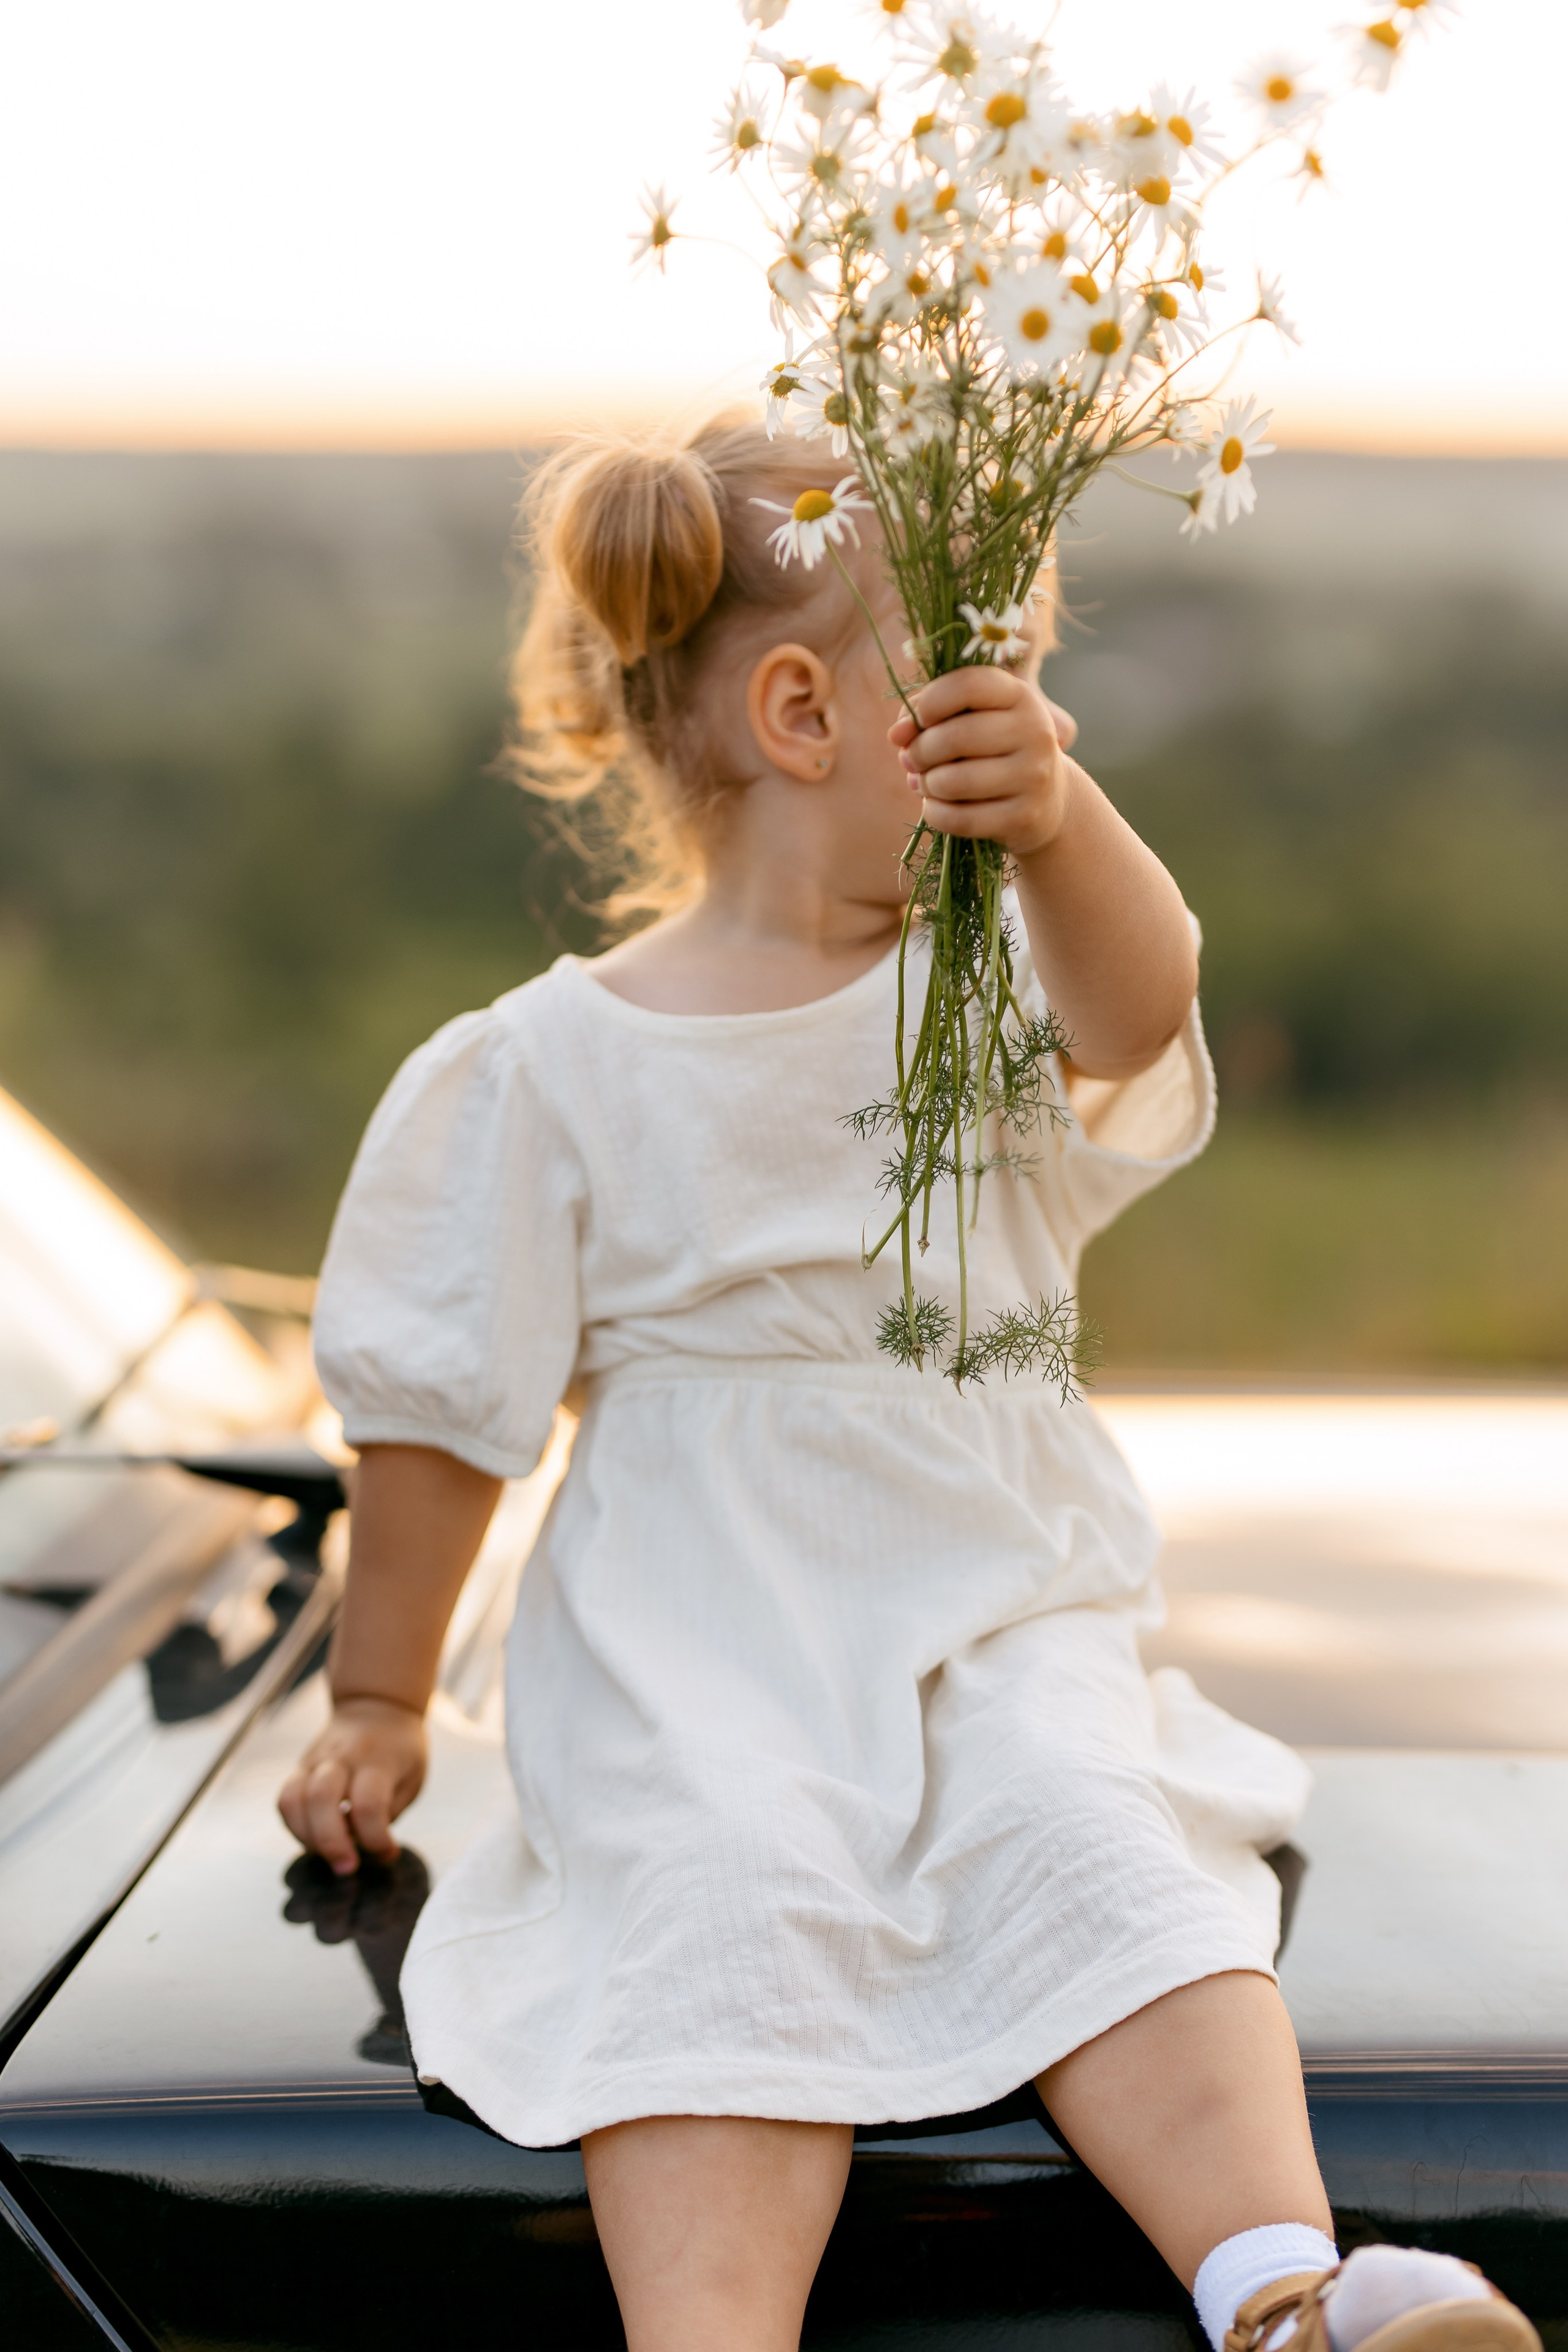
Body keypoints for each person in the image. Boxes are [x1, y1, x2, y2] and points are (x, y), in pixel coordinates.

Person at [280, 416, 1537, 2352]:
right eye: (991, 670)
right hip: (706, 1641)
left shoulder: (987, 986)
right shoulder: (544, 1069)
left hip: (992, 1602)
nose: (1032, 713)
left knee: (1093, 1843)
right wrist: (379, 1693)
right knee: (717, 1907)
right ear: (804, 713)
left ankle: (1279, 2288)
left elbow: (1147, 1006)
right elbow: (447, 1410)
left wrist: (1059, 821)